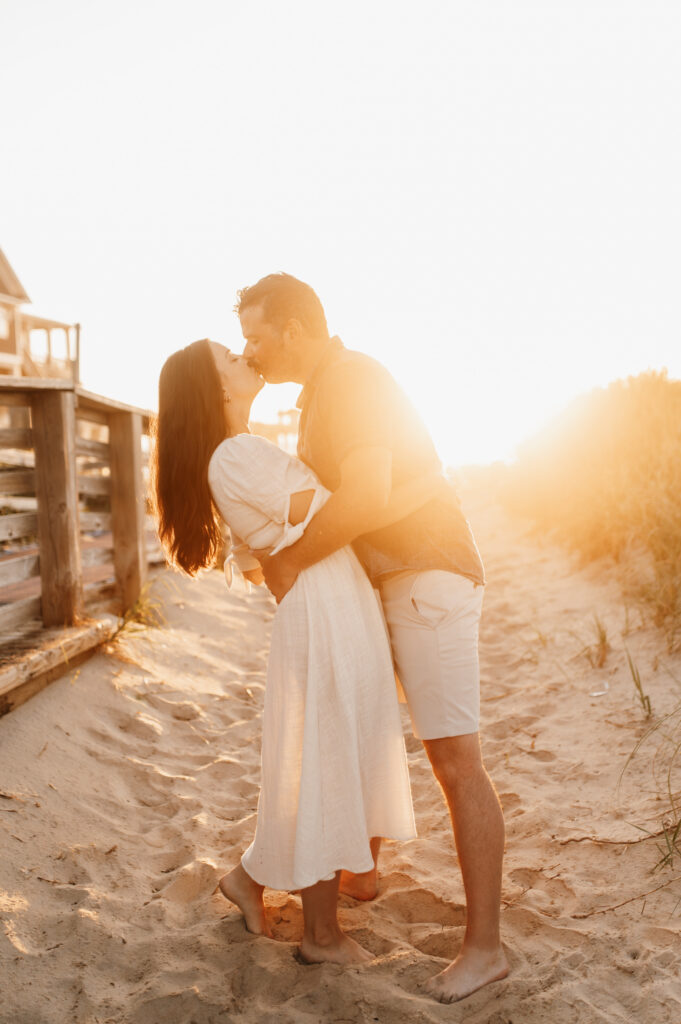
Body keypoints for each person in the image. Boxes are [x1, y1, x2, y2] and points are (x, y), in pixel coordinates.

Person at [238, 273, 509, 1003]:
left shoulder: (351, 380)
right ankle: (360, 873)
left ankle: (484, 949)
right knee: (369, 730)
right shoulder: (327, 390)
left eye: (256, 335)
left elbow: (363, 498)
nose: (249, 350)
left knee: (454, 761)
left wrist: (288, 561)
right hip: (391, 580)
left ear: (292, 329)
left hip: (425, 574)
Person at [152, 338, 445, 965]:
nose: (245, 358)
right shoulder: (235, 453)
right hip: (322, 605)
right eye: (230, 358)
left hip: (331, 594)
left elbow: (282, 539)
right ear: (217, 390)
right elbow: (331, 510)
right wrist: (384, 482)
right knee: (326, 757)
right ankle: (320, 936)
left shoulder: (238, 452)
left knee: (348, 739)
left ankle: (251, 879)